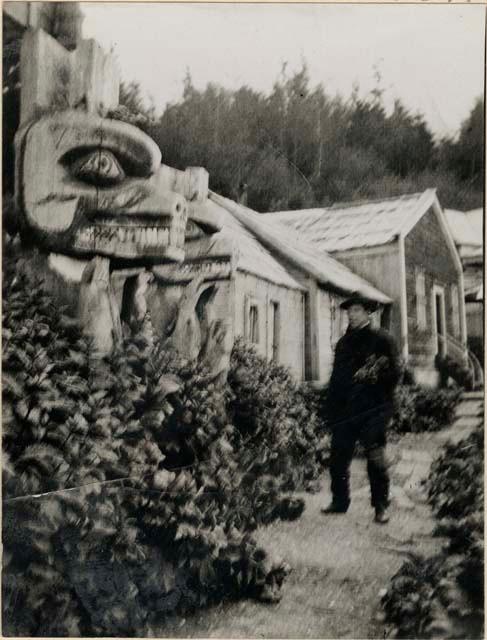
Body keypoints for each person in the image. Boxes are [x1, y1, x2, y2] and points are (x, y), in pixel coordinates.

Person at [323, 293, 401, 524]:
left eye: (356, 310)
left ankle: (380, 507)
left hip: (374, 409)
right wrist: (330, 410)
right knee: (338, 456)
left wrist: (375, 375)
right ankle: (339, 501)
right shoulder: (343, 343)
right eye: (349, 311)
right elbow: (336, 379)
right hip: (347, 409)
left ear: (368, 313)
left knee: (375, 456)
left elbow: (396, 374)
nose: (351, 315)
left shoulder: (383, 340)